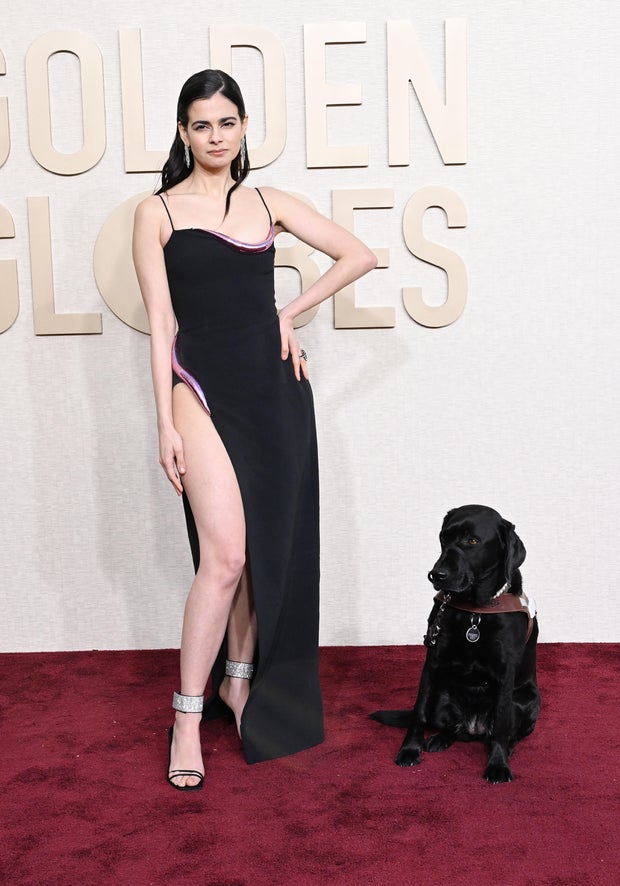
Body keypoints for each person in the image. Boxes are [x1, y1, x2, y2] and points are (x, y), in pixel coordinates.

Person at [132, 69, 377, 791]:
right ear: (183, 132)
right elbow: (160, 328)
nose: (215, 136)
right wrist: (163, 421)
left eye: (227, 123)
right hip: (198, 389)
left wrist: (289, 311)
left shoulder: (267, 201)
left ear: (244, 129)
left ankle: (239, 685)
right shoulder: (156, 212)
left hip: (274, 394)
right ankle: (186, 715)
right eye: (201, 125)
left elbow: (359, 253)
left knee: (264, 551)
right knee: (228, 556)